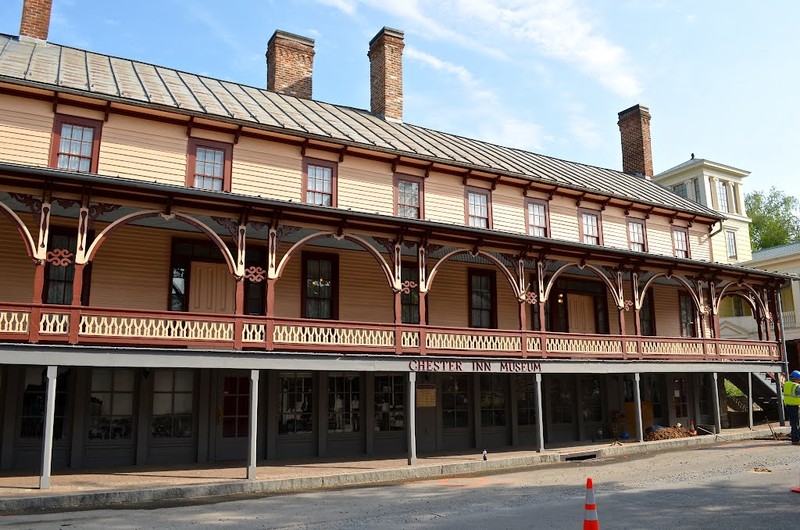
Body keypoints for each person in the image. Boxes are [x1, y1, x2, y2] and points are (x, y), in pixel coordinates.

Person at [784, 370, 800, 445]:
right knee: (795, 423)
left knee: (793, 423)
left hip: (788, 406)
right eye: (798, 379)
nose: (799, 381)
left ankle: (795, 437)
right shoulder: (796, 386)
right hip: (794, 407)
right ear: (794, 378)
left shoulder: (786, 384)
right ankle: (795, 439)